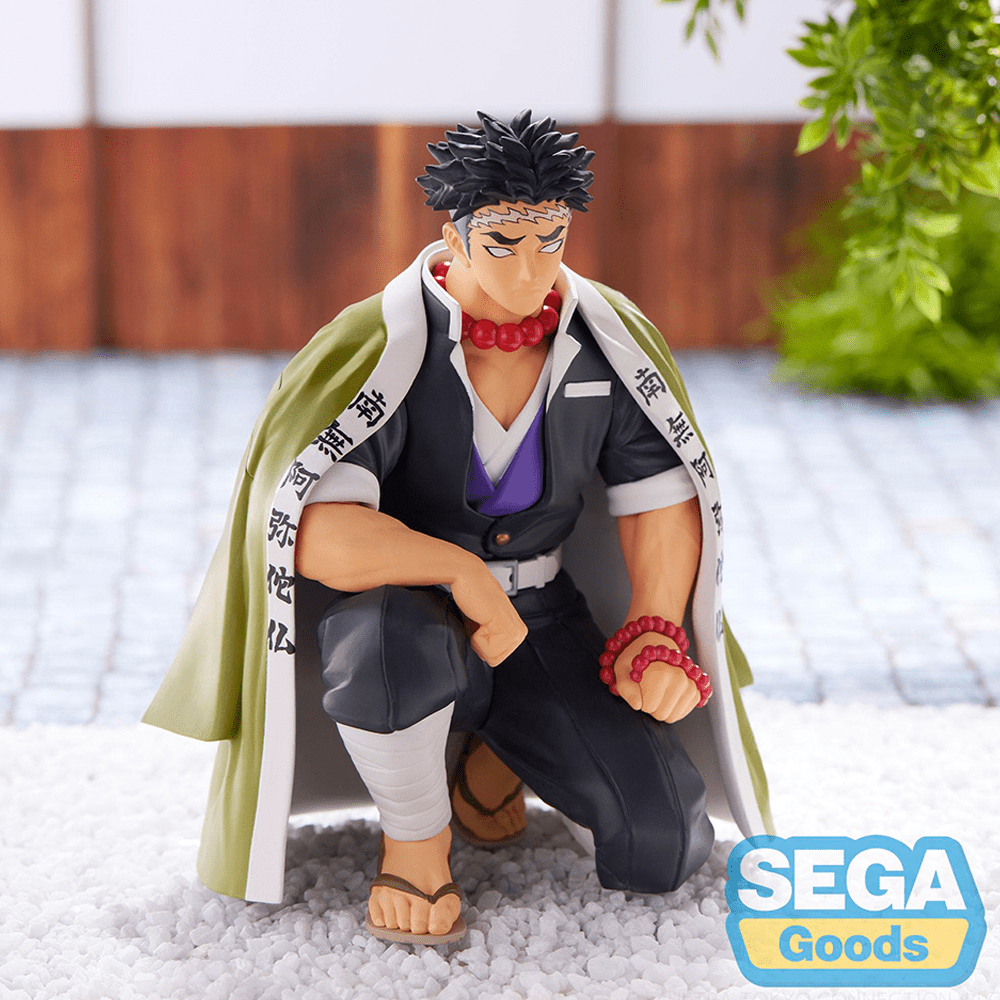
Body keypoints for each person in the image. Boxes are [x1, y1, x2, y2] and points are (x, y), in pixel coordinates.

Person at [142, 110, 773, 946]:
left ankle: (495, 749)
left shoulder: (602, 340)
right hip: (408, 610)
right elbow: (312, 528)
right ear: (455, 236)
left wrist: (654, 627)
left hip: (543, 615)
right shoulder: (381, 345)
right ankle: (415, 840)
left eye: (550, 239)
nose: (532, 268)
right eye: (504, 242)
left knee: (659, 843)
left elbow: (658, 492)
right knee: (386, 649)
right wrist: (459, 573)